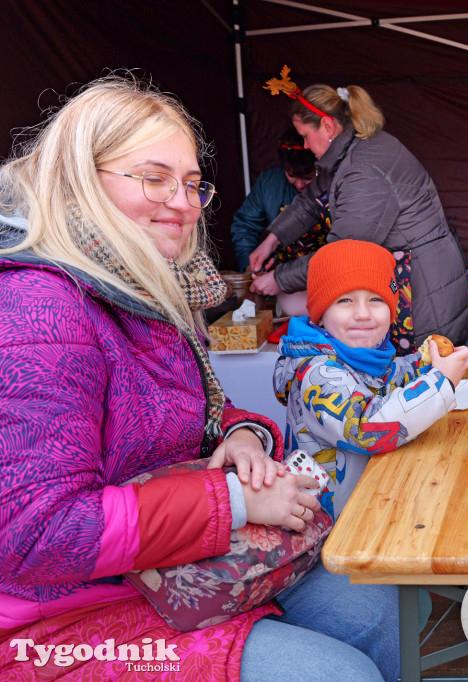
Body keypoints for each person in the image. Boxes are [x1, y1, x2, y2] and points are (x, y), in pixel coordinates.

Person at [0, 76, 398, 681]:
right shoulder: (37, 309)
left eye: (190, 184)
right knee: (338, 675)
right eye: (154, 178)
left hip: (183, 564)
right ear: (78, 178)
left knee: (372, 605)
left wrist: (242, 438)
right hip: (63, 615)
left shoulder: (150, 289)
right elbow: (35, 534)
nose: (183, 203)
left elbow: (197, 413)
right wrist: (235, 500)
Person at [248, 81, 468, 345]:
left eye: (305, 136)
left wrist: (279, 279)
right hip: (424, 276)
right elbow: (311, 200)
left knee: (425, 365)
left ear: (327, 126)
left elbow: (343, 253)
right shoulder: (352, 149)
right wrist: (272, 239)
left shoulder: (363, 171)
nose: (305, 146)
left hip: (422, 291)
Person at [273, 239, 468, 519]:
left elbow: (386, 380)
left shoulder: (361, 356)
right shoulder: (316, 372)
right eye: (345, 300)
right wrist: (440, 383)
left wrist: (424, 364)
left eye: (376, 300)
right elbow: (366, 426)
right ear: (320, 314)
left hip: (372, 499)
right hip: (330, 524)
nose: (363, 314)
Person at [229, 126, 324, 271]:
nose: (300, 185)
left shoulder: (335, 184)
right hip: (279, 272)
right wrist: (250, 266)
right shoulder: (270, 182)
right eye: (291, 175)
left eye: (307, 177)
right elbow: (245, 225)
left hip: (325, 269)